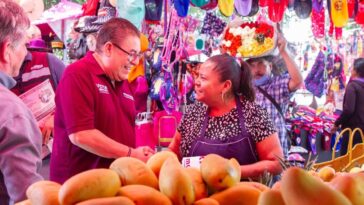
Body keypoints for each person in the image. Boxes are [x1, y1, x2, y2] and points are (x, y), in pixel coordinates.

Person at [50, 18, 155, 184]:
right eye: (132, 54)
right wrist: (130, 153)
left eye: (139, 55)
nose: (135, 62)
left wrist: (136, 152)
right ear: (108, 48)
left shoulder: (123, 82)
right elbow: (81, 135)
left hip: (112, 184)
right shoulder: (77, 74)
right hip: (79, 187)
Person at [168, 54, 283, 179]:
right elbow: (173, 152)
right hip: (195, 195)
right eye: (197, 76)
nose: (196, 82)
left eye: (203, 78)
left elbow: (276, 164)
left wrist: (231, 172)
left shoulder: (254, 114)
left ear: (226, 86)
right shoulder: (192, 113)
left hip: (239, 196)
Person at [0, 0, 43, 203]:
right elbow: (26, 198)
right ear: (6, 50)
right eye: (24, 44)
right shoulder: (10, 112)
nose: (26, 52)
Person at [246, 34, 303, 157]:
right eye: (252, 65)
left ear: (270, 66)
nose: (256, 70)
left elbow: (297, 81)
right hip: (251, 152)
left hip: (276, 153)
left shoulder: (277, 85)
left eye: (261, 63)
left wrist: (284, 52)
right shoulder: (244, 89)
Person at [11, 37, 66, 146]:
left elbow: (76, 99)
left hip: (59, 148)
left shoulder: (49, 61)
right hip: (23, 151)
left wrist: (58, 117)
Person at [332, 58, 364, 155]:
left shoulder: (352, 86)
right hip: (362, 131)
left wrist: (337, 124)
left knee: (346, 162)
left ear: (356, 70)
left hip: (352, 132)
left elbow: (349, 110)